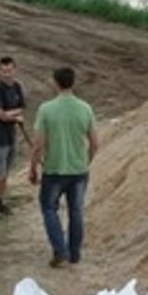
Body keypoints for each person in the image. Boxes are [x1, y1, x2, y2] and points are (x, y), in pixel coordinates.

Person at [29, 67, 98, 267]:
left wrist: (33, 167)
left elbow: (38, 145)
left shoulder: (46, 109)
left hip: (54, 169)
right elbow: (95, 143)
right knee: (76, 211)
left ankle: (60, 250)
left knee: (49, 208)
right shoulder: (85, 108)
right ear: (73, 82)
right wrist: (87, 161)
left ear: (55, 82)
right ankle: (74, 253)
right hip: (78, 170)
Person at [0, 56, 26, 217]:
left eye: (9, 71)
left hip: (11, 136)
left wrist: (8, 114)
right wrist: (14, 117)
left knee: (5, 174)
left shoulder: (16, 87)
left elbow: (21, 107)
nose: (6, 74)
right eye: (3, 71)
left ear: (15, 70)